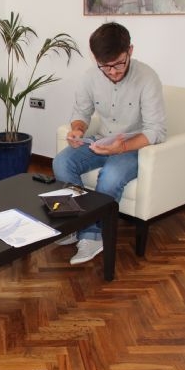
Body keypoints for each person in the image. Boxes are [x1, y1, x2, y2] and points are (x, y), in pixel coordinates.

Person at [52, 22, 166, 265]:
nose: (113, 72)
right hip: (102, 140)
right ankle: (75, 223)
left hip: (135, 146)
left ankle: (93, 235)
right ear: (96, 59)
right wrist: (77, 130)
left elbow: (156, 130)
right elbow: (81, 113)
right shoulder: (89, 77)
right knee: (62, 162)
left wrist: (121, 148)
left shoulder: (147, 78)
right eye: (105, 66)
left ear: (130, 51)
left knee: (111, 176)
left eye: (119, 64)